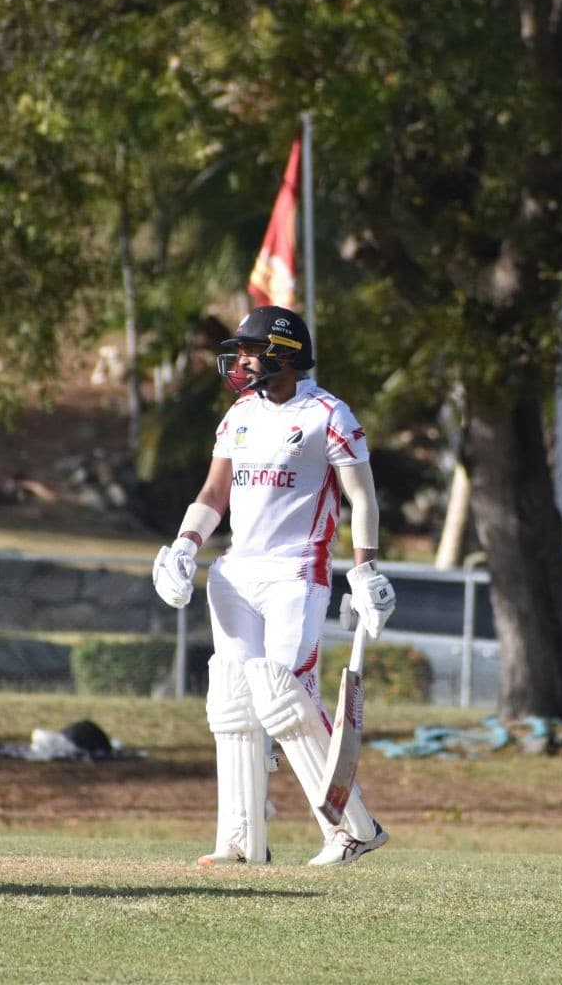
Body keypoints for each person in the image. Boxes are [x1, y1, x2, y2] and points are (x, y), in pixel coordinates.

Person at [152, 305, 397, 867]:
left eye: (249, 350)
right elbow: (213, 494)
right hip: (235, 573)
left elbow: (362, 497)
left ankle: (353, 827)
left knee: (284, 696)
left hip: (296, 571)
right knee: (233, 702)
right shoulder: (239, 413)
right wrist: (185, 545)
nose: (239, 361)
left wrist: (365, 570)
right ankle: (243, 839)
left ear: (284, 355)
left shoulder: (328, 414)